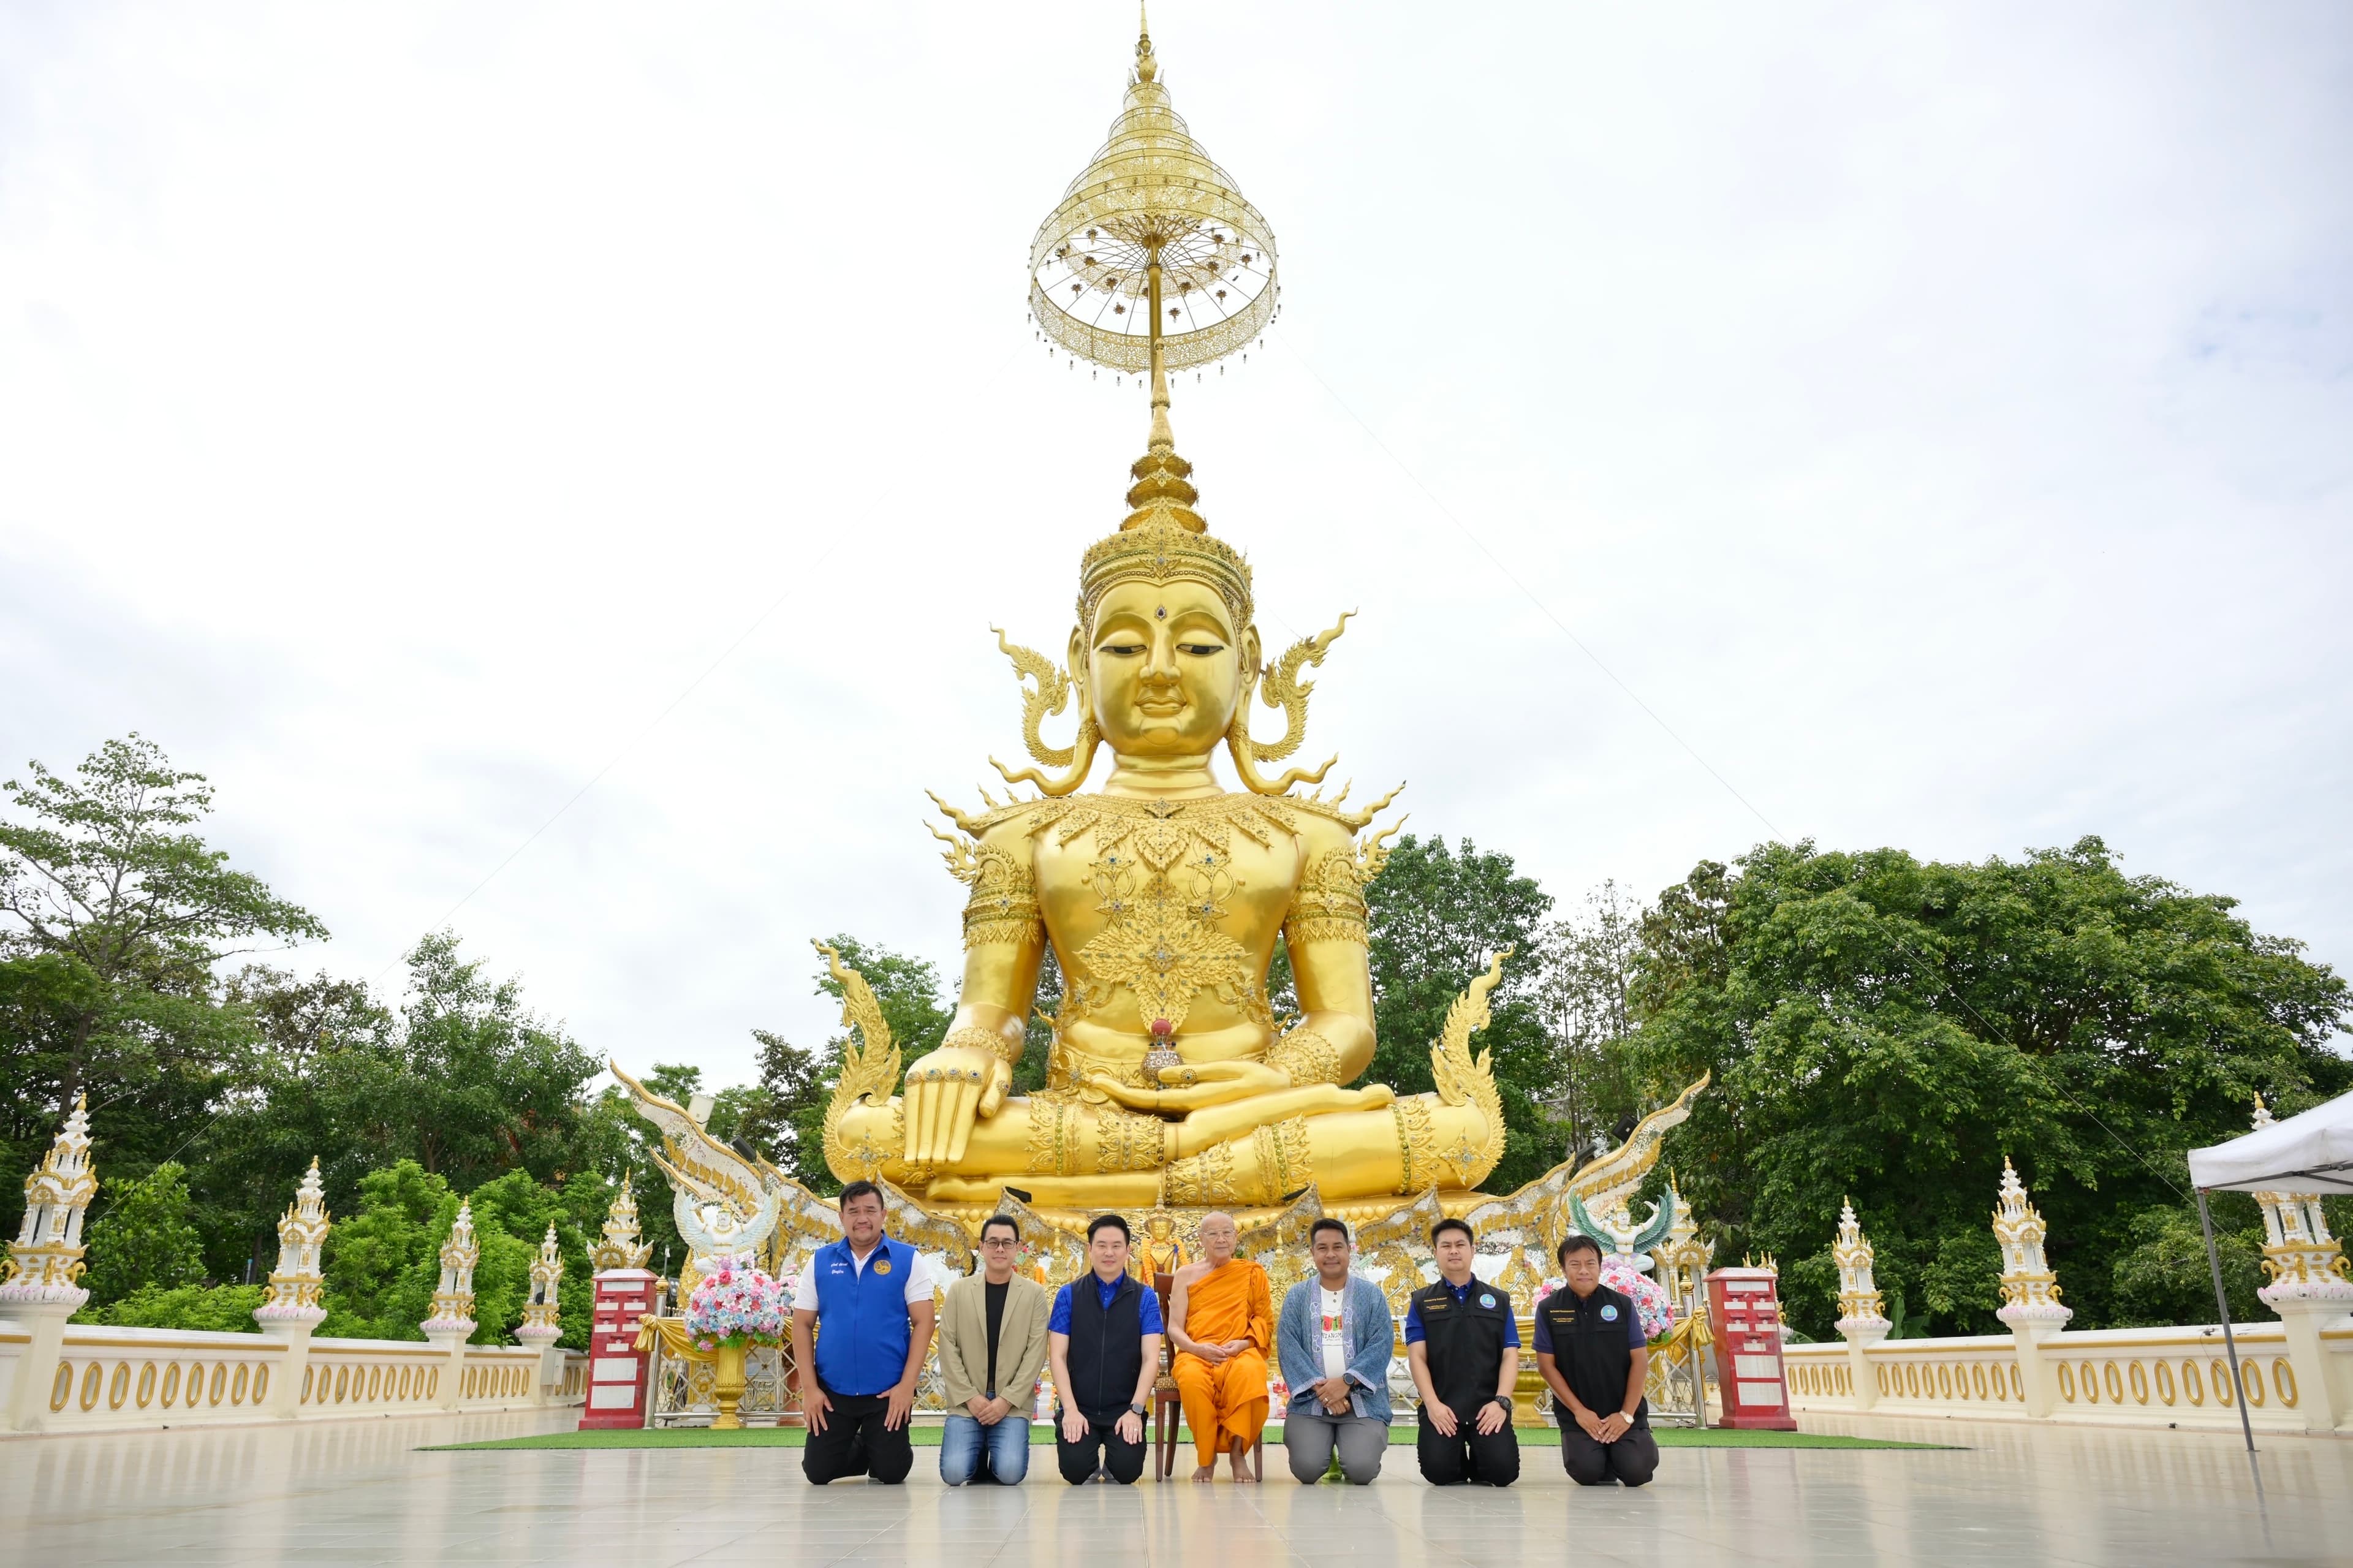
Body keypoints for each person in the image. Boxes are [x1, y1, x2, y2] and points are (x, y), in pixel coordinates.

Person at [790, 1180, 934, 1485]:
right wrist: (810, 1389)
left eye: (870, 1210)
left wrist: (907, 1386)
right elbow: (801, 1324)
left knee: (892, 1473)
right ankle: (865, 1446)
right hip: (833, 1392)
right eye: (853, 1211)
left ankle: (883, 1447)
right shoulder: (820, 1262)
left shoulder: (908, 1260)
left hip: (886, 1391)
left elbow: (925, 1322)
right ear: (841, 1218)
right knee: (817, 1473)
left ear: (884, 1215)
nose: (862, 1218)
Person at [1046, 1213, 1163, 1485]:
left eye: (1116, 1246)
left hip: (1123, 1407)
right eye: (1101, 1245)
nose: (1108, 1253)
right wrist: (1070, 1410)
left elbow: (1150, 1359)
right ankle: (1086, 1457)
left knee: (1127, 1473)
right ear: (1090, 1249)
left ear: (1128, 1251)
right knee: (1076, 1473)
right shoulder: (1069, 1295)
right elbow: (1058, 1356)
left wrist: (1135, 1410)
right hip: (1080, 1405)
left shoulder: (1144, 1297)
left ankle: (1114, 1459)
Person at [1275, 1217, 1393, 1485]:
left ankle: (1348, 1446)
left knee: (1362, 1471)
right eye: (1323, 1248)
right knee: (1307, 1469)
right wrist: (1325, 1391)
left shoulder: (1372, 1296)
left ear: (1350, 1251)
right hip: (1312, 1401)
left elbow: (1381, 1344)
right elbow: (1289, 1347)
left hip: (1362, 1401)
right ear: (1313, 1254)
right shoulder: (1297, 1296)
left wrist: (1347, 1382)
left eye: (1338, 1247)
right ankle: (1326, 1446)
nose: (1330, 1254)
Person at [1535, 1233, 1658, 1488]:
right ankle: (1599, 1456)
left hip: (1622, 1410)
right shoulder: (1549, 1309)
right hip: (1579, 1416)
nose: (1583, 1271)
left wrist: (1626, 1415)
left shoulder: (1622, 1305)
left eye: (1590, 1263)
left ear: (1600, 1267)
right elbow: (1546, 1366)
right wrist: (1579, 1412)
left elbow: (1640, 1361)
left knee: (1637, 1471)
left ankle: (1624, 1449)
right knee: (1588, 1472)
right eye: (1575, 1264)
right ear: (1563, 1268)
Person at [938, 1214, 1052, 1485]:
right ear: (981, 1246)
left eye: (1007, 1243)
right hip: (968, 1401)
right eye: (993, 1242)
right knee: (954, 1474)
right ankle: (977, 1452)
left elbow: (1035, 1353)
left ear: (1018, 1248)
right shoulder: (959, 1290)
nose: (1000, 1249)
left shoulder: (1034, 1294)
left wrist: (1006, 1400)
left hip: (1011, 1403)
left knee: (1010, 1474)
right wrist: (970, 1397)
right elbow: (947, 1347)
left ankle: (991, 1447)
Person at [1405, 1216, 1520, 1487]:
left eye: (1460, 1244)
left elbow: (1509, 1355)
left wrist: (1501, 1402)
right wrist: (1432, 1405)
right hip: (1444, 1407)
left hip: (1487, 1408)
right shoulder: (1422, 1301)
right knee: (1439, 1473)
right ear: (1436, 1253)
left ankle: (1483, 1455)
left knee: (1502, 1474)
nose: (1454, 1250)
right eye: (1446, 1246)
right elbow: (1417, 1357)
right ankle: (1454, 1452)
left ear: (1472, 1250)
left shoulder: (1499, 1300)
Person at [1167, 1211, 1273, 1482]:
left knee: (1251, 1372)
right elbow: (1174, 1328)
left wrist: (1245, 1344)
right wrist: (1196, 1349)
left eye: (1227, 1232)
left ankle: (1238, 1453)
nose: (1221, 1239)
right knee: (1191, 1379)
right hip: (1196, 1353)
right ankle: (1207, 1458)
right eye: (1213, 1234)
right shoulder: (1186, 1274)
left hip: (1238, 1351)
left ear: (1236, 1238)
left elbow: (1263, 1320)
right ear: (1201, 1239)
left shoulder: (1251, 1273)